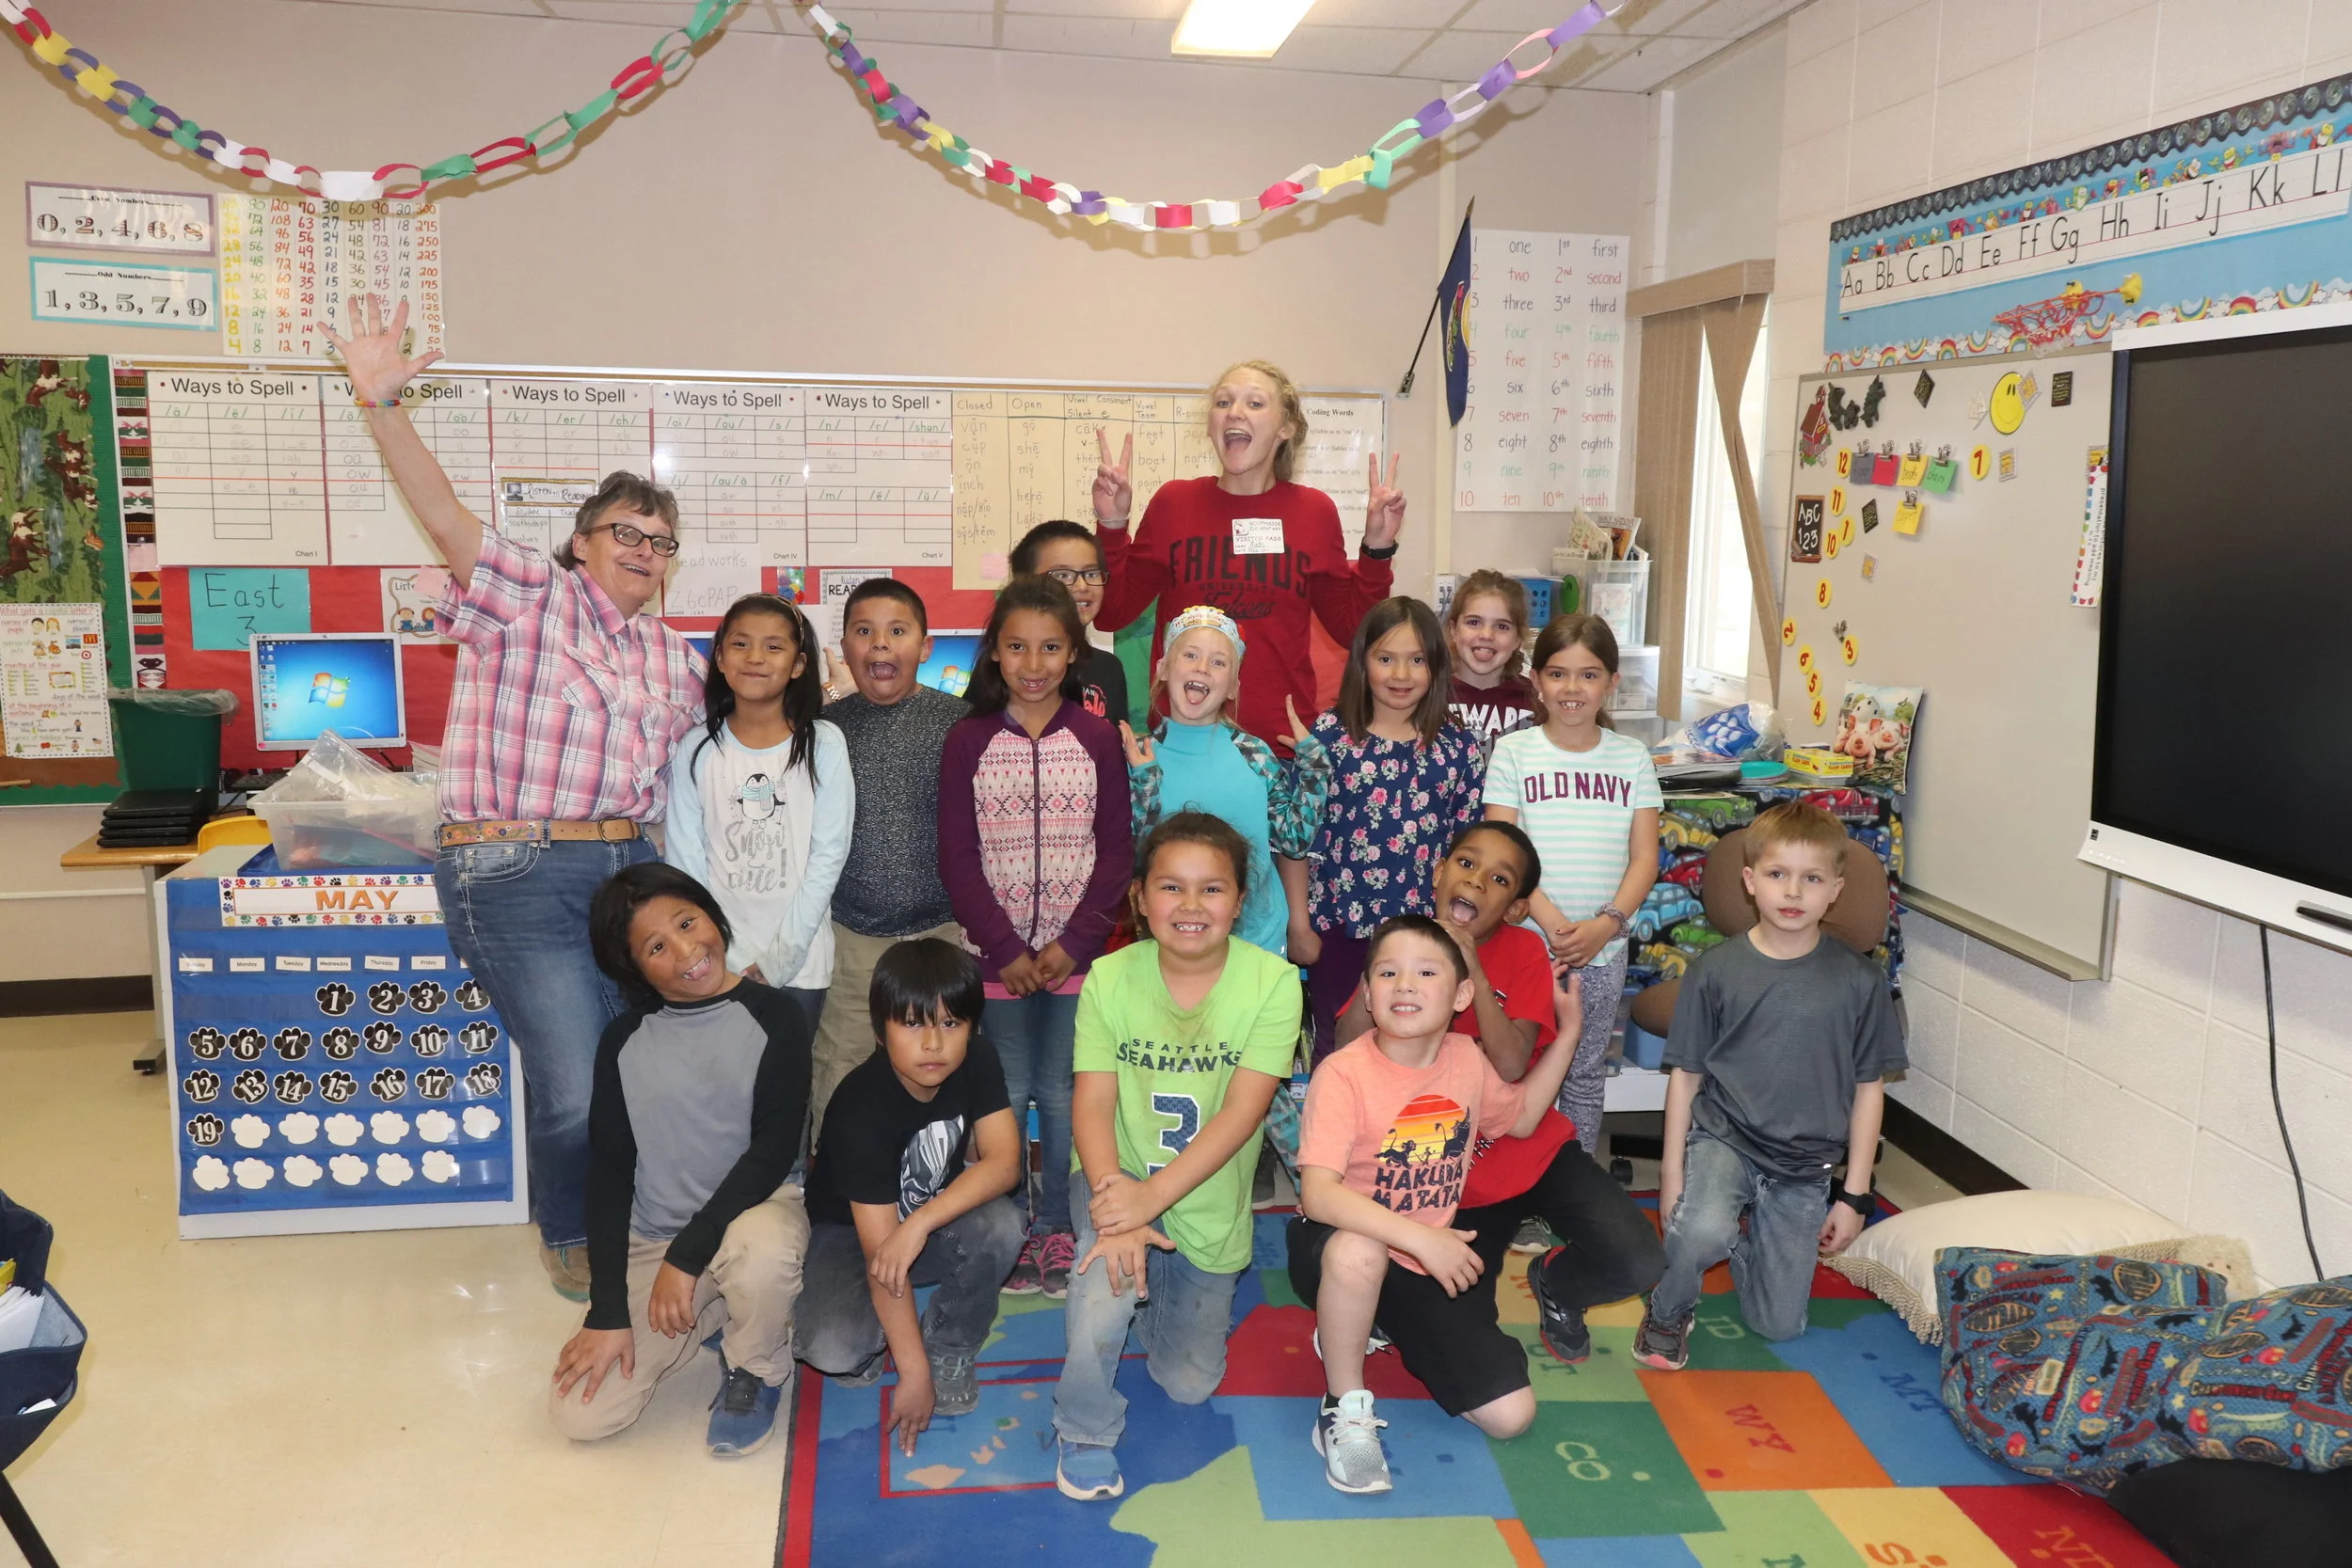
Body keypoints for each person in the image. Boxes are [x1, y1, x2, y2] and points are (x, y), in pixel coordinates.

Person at [326, 297, 705, 1299]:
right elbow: (444, 512)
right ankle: (574, 1238)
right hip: (516, 868)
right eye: (626, 531)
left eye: (661, 541)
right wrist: (381, 404)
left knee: (624, 1065)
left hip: (630, 873)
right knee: (574, 1073)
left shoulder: (672, 659)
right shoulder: (524, 599)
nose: (644, 550)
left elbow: (752, 725)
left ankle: (633, 1215)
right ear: (581, 542)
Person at [1332, 822, 1663, 1362]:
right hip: (1447, 1178)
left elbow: (1511, 1066)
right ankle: (1393, 1311)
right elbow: (1344, 1047)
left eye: (1498, 878)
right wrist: (1381, 983)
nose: (1477, 881)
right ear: (1438, 875)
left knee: (1641, 1260)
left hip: (1533, 1148)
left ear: (1514, 908)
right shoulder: (1404, 944)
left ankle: (1556, 1283)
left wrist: (1474, 970)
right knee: (1455, 1332)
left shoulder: (1526, 950)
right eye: (1466, 864)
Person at [1288, 914, 1581, 1495]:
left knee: (1510, 1417)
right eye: (1388, 972)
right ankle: (1341, 1405)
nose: (1405, 985)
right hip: (1336, 1244)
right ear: (1367, 994)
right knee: (1358, 1254)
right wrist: (1420, 1237)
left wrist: (1567, 1034)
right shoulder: (1343, 1073)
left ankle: (1375, 1320)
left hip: (1425, 1261)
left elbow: (1520, 1117)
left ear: (1462, 993)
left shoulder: (1467, 1059)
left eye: (1426, 972)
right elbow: (1318, 1195)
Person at [1054, 813, 1298, 1503]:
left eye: (1212, 889)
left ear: (1240, 900)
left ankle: (1160, 1287)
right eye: (1172, 887)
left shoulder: (1275, 983)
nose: (1191, 906)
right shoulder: (1107, 977)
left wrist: (1150, 1202)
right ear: (1139, 896)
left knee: (1186, 1383)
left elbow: (1241, 1114)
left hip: (1207, 1200)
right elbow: (1093, 1103)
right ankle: (1084, 1425)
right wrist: (1118, 1203)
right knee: (1104, 1283)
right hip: (1114, 1174)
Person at [1633, 801, 1906, 1370]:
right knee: (1700, 1230)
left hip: (1805, 1165)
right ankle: (1669, 1305)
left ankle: (1739, 1239)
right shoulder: (1715, 971)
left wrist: (1854, 1196)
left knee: (1778, 1327)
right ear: (1751, 881)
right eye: (1778, 875)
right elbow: (1686, 1077)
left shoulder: (1860, 981)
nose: (1793, 893)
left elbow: (1868, 1090)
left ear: (1834, 890)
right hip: (1724, 1140)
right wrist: (1672, 1178)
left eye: (1811, 879)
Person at [550, 864, 811, 1456]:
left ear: (713, 916)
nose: (688, 950)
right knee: (582, 1418)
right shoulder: (623, 1041)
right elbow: (611, 1175)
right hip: (656, 1239)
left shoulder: (776, 1016)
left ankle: (756, 1368)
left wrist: (688, 1256)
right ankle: (712, 1313)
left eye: (688, 923)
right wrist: (608, 1310)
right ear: (633, 967)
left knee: (761, 1255)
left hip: (754, 1212)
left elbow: (771, 1154)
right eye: (657, 946)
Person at [939, 576, 1134, 1299]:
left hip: (1075, 958)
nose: (1033, 661)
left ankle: (1055, 1222)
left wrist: (1073, 943)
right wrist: (1004, 948)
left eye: (1051, 647)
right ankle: (1016, 1220)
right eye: (1017, 645)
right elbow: (956, 856)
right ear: (994, 652)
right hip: (997, 961)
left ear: (1074, 653)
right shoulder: (968, 741)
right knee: (1011, 1088)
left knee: (1062, 1090)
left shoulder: (1094, 738)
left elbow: (1116, 850)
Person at [1087, 362, 1406, 752]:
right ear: (1210, 426)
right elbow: (1111, 613)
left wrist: (1376, 549)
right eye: (1223, 402)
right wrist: (1113, 524)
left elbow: (1354, 630)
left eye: (1255, 403)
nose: (1235, 412)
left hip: (1282, 746)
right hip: (1182, 743)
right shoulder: (1175, 504)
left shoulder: (1314, 512)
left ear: (1285, 428)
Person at [794, 939, 1027, 1456]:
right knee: (835, 1350)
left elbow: (1005, 1164)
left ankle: (952, 1344)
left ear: (973, 1027)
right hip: (849, 1236)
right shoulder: (860, 1108)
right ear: (880, 1033)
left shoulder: (979, 1060)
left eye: (950, 1024)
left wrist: (918, 1224)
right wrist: (912, 1372)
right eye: (912, 1023)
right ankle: (881, 1337)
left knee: (1003, 1224)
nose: (933, 1044)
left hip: (918, 1227)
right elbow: (882, 1257)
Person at [1482, 612, 1661, 1154]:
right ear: (1535, 681)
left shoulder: (1632, 758)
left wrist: (1605, 927)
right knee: (1514, 1071)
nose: (1572, 688)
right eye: (1557, 674)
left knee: (1583, 1076)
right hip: (1525, 946)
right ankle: (1514, 1183)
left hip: (1602, 952)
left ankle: (1575, 1183)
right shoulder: (1514, 753)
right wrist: (1554, 922)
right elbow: (1501, 853)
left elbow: (1645, 859)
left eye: (1588, 675)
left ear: (1612, 683)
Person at [812, 579, 968, 1132]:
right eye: (864, 632)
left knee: (946, 1065)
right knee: (839, 1062)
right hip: (852, 935)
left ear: (925, 647)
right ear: (846, 647)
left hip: (945, 934)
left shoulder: (963, 724)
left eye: (897, 631)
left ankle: (943, 1183)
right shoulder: (822, 730)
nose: (880, 644)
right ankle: (835, 1192)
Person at [664, 594, 852, 1053]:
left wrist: (779, 959)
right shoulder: (696, 749)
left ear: (798, 663)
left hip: (800, 964)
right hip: (715, 962)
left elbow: (828, 857)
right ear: (722, 659)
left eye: (773, 647)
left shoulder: (823, 743)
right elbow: (685, 866)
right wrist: (719, 955)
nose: (755, 658)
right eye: (741, 644)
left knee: (786, 1102)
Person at [1302, 595, 1484, 1060]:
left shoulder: (1457, 748)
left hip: (1423, 931)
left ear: (1436, 666)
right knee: (1338, 1048)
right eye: (1386, 659)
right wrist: (1299, 923)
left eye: (1416, 660)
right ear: (1363, 662)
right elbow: (1300, 838)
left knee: (1414, 1049)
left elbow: (1467, 846)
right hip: (1340, 927)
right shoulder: (1330, 737)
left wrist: (1458, 926)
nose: (1400, 675)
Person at [1120, 604, 1327, 961]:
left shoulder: (1256, 755)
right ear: (1164, 669)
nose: (1202, 667)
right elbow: (1136, 855)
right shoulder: (1140, 758)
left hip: (1257, 945)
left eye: (1219, 662)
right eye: (1190, 655)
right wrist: (1144, 783)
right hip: (1170, 946)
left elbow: (1293, 840)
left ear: (1233, 686)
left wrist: (1314, 769)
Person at [1010, 519, 1130, 725]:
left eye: (1091, 573)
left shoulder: (1109, 668)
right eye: (1063, 575)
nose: (1082, 586)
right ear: (1025, 582)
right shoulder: (1008, 665)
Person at [1443, 570, 1536, 747]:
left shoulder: (1534, 702)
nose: (1486, 635)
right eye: (1473, 622)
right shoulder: (1430, 697)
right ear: (1454, 629)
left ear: (1517, 639)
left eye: (1502, 626)